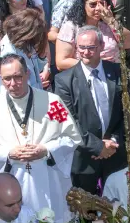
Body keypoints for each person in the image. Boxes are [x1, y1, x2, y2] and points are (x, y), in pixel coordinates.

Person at [0, 54, 81, 222]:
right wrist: (8, 153)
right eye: (7, 79)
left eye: (18, 77)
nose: (13, 84)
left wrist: (46, 150)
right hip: (12, 179)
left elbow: (71, 138)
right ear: (0, 78)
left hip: (49, 179)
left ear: (27, 74)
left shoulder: (52, 102)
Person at [54, 26, 126, 193]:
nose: (85, 52)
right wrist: (97, 146)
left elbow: (126, 113)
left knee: (119, 210)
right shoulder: (63, 81)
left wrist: (113, 142)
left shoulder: (117, 72)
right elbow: (66, 122)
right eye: (81, 48)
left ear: (101, 45)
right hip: (84, 160)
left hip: (115, 155)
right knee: (88, 214)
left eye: (91, 47)